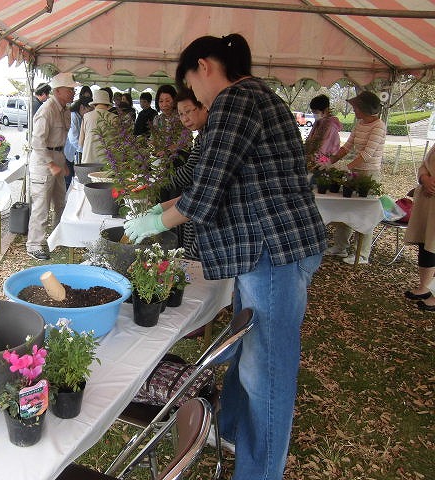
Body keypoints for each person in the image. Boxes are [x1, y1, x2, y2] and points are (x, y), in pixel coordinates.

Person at [124, 34, 326, 480]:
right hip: (274, 248)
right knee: (245, 349)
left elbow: (206, 192)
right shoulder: (256, 97)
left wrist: (155, 224)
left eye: (190, 84)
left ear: (203, 66)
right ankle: (230, 428)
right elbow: (213, 177)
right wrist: (160, 208)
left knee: (266, 375)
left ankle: (258, 472)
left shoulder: (235, 99)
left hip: (273, 251)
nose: (193, 95)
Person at [325, 91, 386, 264]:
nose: (354, 110)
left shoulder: (379, 126)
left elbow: (367, 154)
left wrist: (346, 167)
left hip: (369, 174)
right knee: (346, 208)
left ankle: (363, 254)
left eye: (356, 107)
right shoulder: (359, 123)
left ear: (364, 108)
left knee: (365, 212)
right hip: (355, 172)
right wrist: (330, 161)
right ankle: (340, 247)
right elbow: (347, 146)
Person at [26, 73, 76, 261]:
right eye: (70, 89)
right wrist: (51, 163)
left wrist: (60, 162)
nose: (73, 92)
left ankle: (57, 237)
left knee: (61, 202)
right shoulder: (47, 109)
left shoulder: (65, 109)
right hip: (43, 162)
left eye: (73, 89)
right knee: (41, 206)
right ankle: (34, 245)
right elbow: (37, 142)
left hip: (58, 158)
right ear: (57, 91)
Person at [163, 88, 208, 260]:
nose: (185, 118)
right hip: (192, 205)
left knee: (194, 261)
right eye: (181, 114)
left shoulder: (209, 136)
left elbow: (189, 173)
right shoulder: (201, 135)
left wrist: (161, 183)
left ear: (203, 107)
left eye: (188, 111)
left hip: (198, 209)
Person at [403, 144, 435, 311]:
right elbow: (425, 164)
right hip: (427, 202)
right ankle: (424, 287)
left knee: (433, 245)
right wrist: (425, 179)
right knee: (425, 244)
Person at [78, 89, 117, 164]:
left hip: (89, 160)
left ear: (94, 104)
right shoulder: (115, 118)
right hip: (108, 161)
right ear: (108, 104)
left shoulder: (86, 116)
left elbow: (81, 142)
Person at [304, 94, 342, 166]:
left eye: (316, 112)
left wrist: (314, 158)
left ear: (326, 110)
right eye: (313, 112)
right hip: (314, 160)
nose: (314, 114)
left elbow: (324, 146)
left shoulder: (330, 126)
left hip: (322, 162)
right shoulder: (319, 122)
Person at [64, 97, 93, 189]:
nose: (90, 112)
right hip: (67, 153)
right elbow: (73, 139)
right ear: (82, 107)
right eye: (90, 109)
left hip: (73, 153)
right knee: (68, 179)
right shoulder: (73, 116)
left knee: (72, 178)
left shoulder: (80, 116)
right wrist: (85, 151)